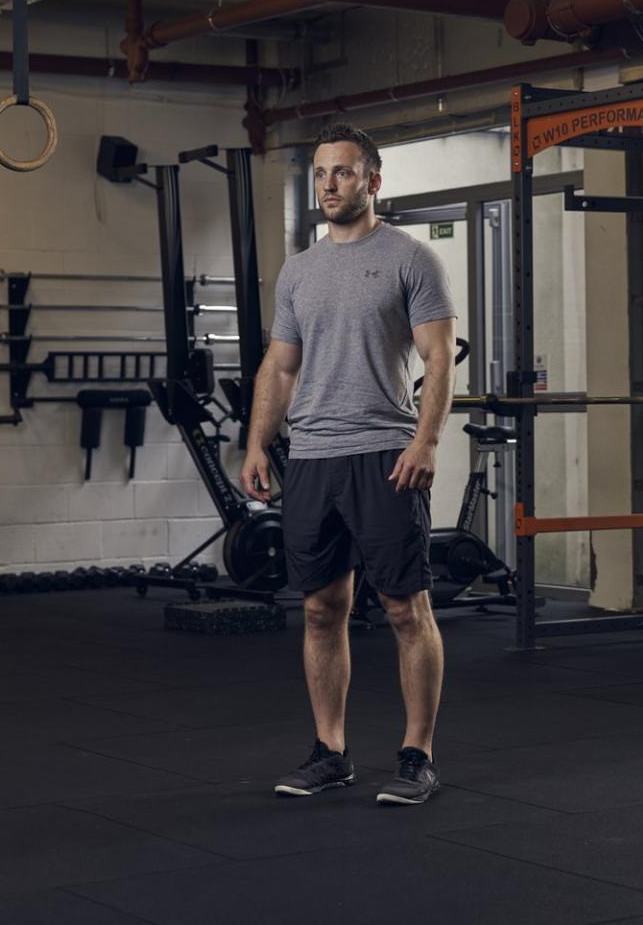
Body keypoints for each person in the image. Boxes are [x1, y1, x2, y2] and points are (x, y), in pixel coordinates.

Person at [240, 123, 457, 806]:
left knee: (403, 608)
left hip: (383, 456)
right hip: (312, 458)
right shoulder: (300, 270)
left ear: (373, 181)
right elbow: (280, 367)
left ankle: (417, 754)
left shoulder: (410, 258)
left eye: (343, 172)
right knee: (319, 609)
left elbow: (439, 356)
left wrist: (425, 441)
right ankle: (330, 751)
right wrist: (255, 444)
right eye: (322, 173)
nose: (330, 184)